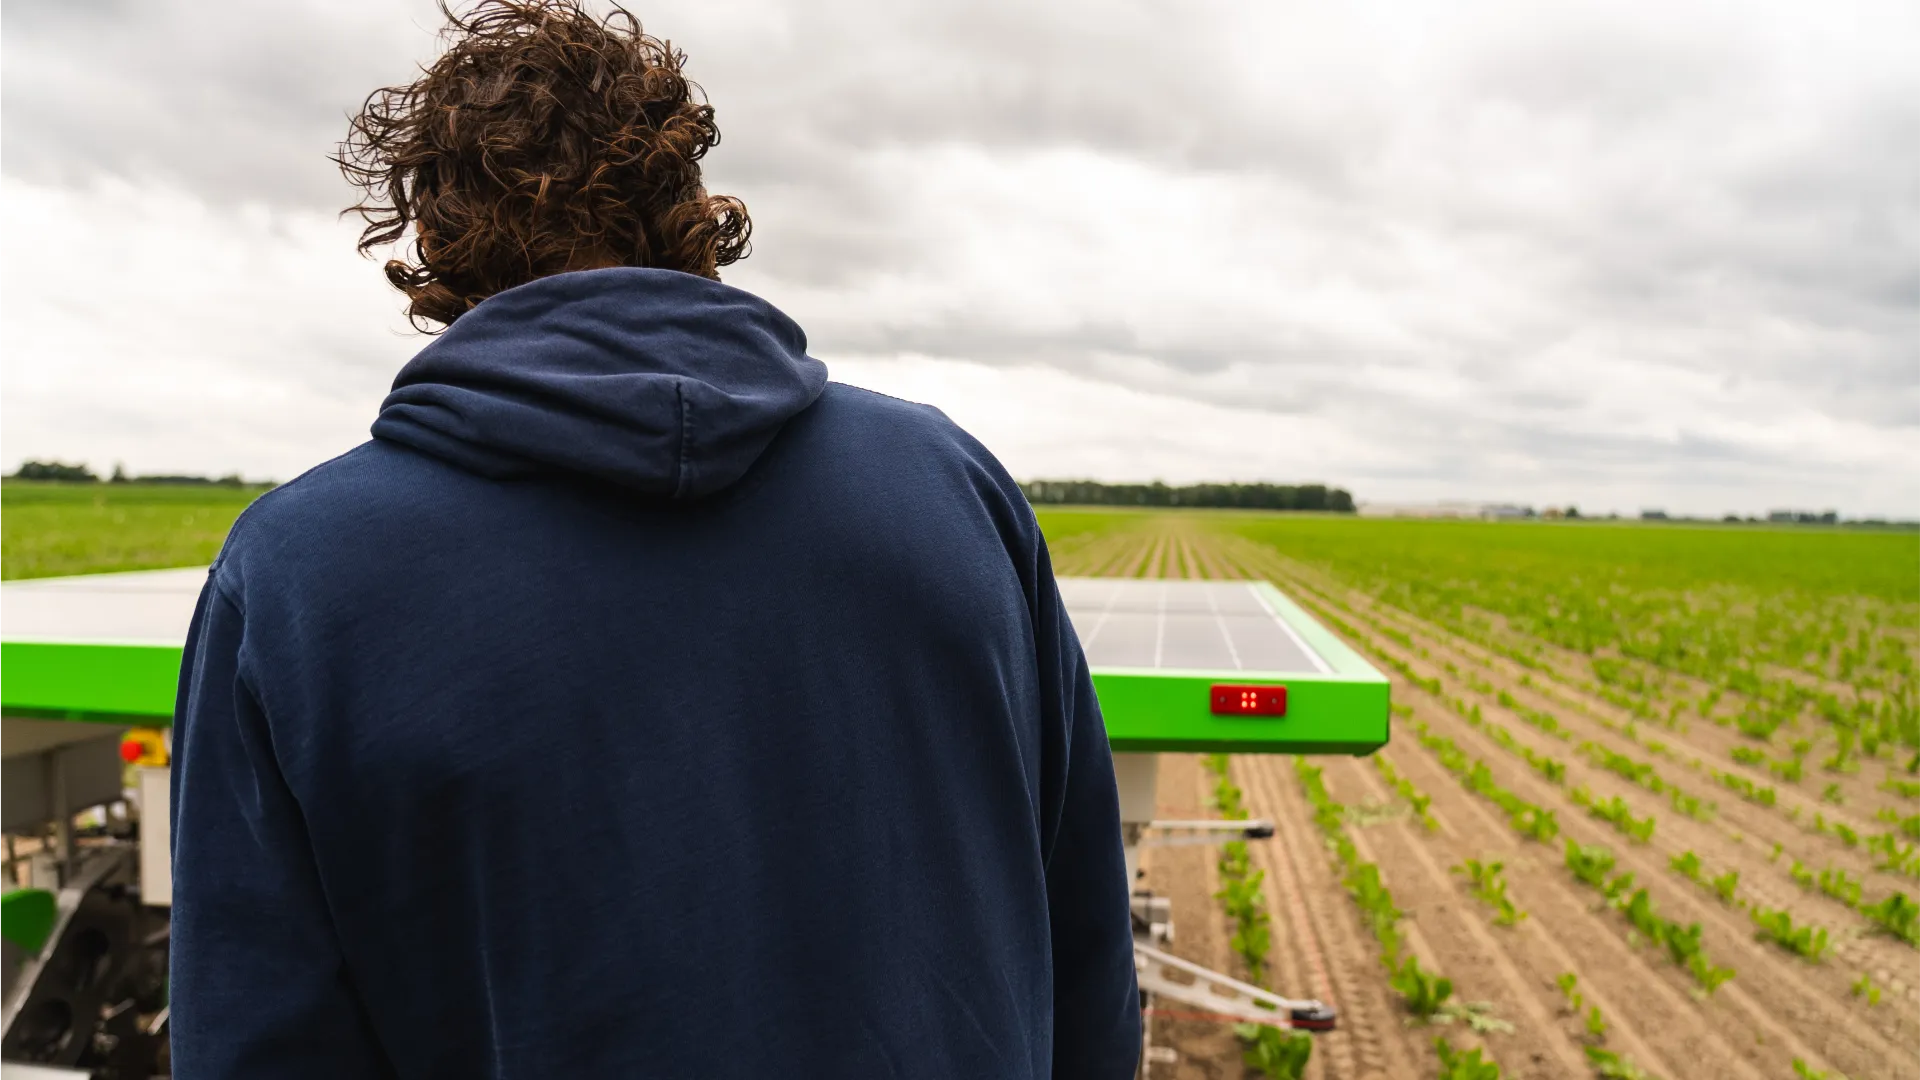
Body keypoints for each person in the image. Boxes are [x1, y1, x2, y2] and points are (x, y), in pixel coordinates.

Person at [167, 1, 1141, 1076]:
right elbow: (1087, 952)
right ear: (691, 208)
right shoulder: (954, 489)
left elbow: (257, 1038)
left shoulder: (297, 574)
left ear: (434, 246)